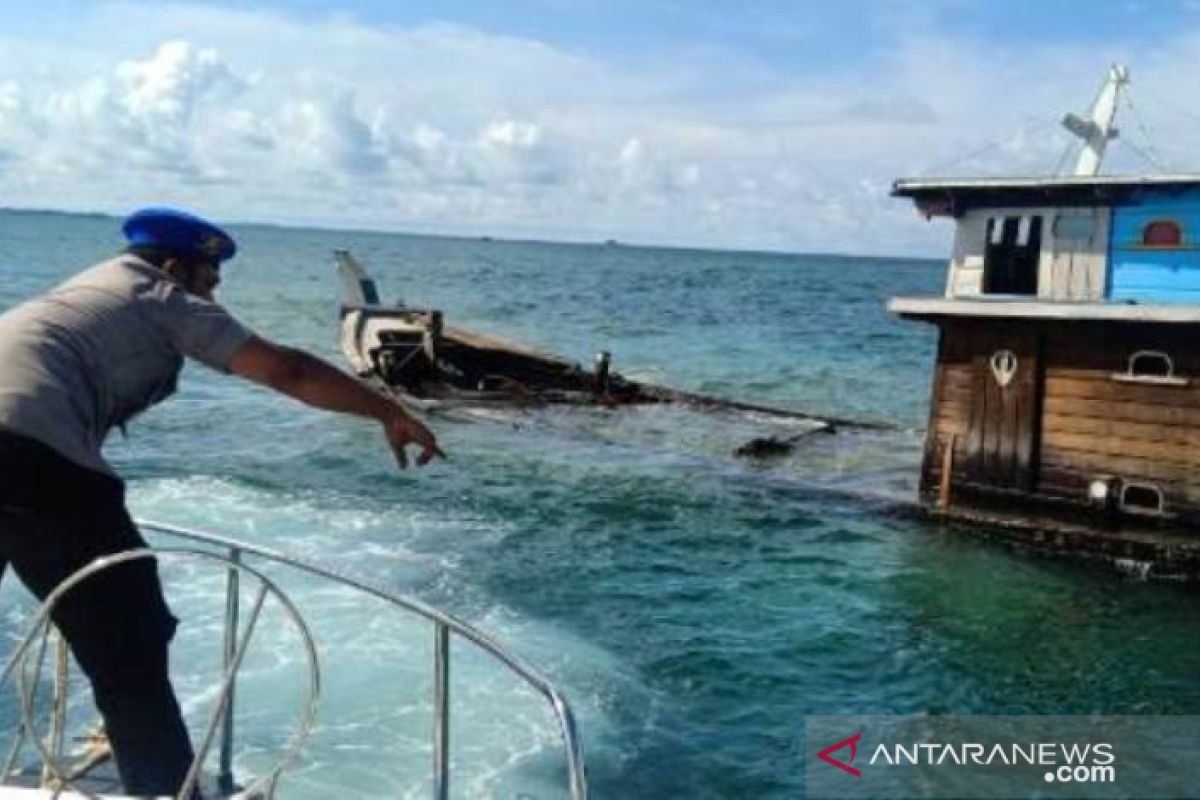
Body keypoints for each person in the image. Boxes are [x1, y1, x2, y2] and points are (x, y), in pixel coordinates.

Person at [0, 207, 441, 795]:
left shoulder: (83, 292)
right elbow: (286, 369)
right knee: (130, 647)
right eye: (209, 281)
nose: (213, 296)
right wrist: (388, 410)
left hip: (23, 449)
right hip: (31, 458)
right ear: (177, 268)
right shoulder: (158, 295)